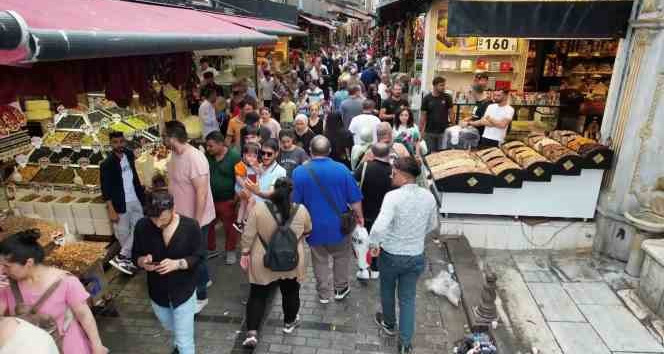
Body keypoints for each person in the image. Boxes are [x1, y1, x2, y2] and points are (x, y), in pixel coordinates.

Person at [370, 156, 438, 354]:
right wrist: (416, 236)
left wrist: (374, 244)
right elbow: (432, 225)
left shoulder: (393, 197)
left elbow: (379, 227)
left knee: (387, 290)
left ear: (402, 175)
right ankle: (405, 343)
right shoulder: (428, 197)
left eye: (394, 172)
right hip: (415, 254)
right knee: (408, 298)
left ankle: (390, 324)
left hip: (391, 254)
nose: (391, 175)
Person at [0, 230, 108, 354]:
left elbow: (84, 315)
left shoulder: (66, 281)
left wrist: (97, 346)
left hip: (68, 347)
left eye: (7, 266)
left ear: (28, 263)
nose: (2, 270)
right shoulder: (7, 285)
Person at [239, 177, 312, 348]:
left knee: (257, 294)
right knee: (291, 291)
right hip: (291, 259)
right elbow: (308, 231)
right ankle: (289, 323)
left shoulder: (259, 208)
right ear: (291, 192)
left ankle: (251, 334)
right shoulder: (300, 210)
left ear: (273, 192)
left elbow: (248, 235)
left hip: (263, 259)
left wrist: (244, 253)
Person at [292, 136, 364, 304]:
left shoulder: (299, 172)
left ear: (310, 150)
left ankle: (323, 293)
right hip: (339, 225)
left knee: (319, 259)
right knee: (341, 257)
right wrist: (359, 217)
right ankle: (340, 288)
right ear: (329, 150)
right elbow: (355, 200)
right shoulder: (342, 170)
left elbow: (295, 203)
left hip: (313, 226)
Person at [133, 189, 202, 354]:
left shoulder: (190, 226)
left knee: (185, 342)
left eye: (162, 218)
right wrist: (143, 262)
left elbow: (199, 256)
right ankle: (178, 343)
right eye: (153, 219)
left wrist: (178, 264)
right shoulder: (142, 226)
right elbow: (135, 255)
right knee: (172, 328)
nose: (157, 224)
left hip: (183, 291)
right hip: (158, 294)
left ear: (173, 209)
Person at [164, 120, 216, 313]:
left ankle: (202, 296)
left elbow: (201, 193)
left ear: (172, 138)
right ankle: (205, 281)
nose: (163, 140)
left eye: (165, 137)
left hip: (196, 219)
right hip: (181, 216)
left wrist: (196, 221)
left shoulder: (195, 158)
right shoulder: (175, 155)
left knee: (196, 257)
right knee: (196, 255)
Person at [101, 131, 145, 275]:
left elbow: (136, 176)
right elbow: (105, 189)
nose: (119, 145)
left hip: (135, 199)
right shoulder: (107, 164)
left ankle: (122, 256)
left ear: (124, 142)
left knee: (139, 227)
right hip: (120, 204)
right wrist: (111, 209)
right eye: (115, 142)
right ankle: (129, 262)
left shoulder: (129, 155)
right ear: (111, 144)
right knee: (124, 235)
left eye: (121, 141)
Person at [353, 143, 394, 280]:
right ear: (388, 154)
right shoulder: (393, 170)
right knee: (377, 240)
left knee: (363, 239)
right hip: (384, 212)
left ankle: (364, 267)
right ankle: (376, 267)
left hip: (365, 211)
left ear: (372, 153)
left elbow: (353, 179)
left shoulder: (365, 167)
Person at [206, 131, 242, 264]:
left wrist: (236, 199)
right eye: (207, 146)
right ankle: (210, 249)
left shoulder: (234, 157)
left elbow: (240, 179)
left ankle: (230, 250)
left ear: (220, 144)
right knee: (208, 224)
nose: (208, 148)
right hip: (210, 199)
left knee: (229, 227)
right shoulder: (207, 156)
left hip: (228, 200)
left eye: (211, 146)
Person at [243, 139, 288, 204]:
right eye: (263, 153)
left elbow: (273, 194)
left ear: (276, 154)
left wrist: (258, 192)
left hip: (266, 212)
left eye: (269, 154)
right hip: (250, 209)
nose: (265, 156)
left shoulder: (281, 171)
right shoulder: (255, 167)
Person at [419, 77, 455, 153]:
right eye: (441, 85)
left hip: (443, 131)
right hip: (429, 132)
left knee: (442, 154)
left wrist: (453, 126)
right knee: (430, 154)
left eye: (444, 85)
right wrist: (421, 131)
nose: (443, 87)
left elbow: (451, 112)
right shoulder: (426, 99)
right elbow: (423, 116)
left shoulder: (447, 97)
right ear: (435, 86)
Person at [234, 142, 261, 233]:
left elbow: (259, 172)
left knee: (243, 204)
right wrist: (246, 187)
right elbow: (238, 178)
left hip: (250, 187)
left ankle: (238, 222)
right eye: (249, 155)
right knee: (251, 200)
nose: (252, 158)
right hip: (243, 187)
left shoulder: (256, 164)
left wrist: (254, 166)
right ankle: (246, 219)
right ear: (243, 155)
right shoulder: (240, 165)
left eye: (254, 156)